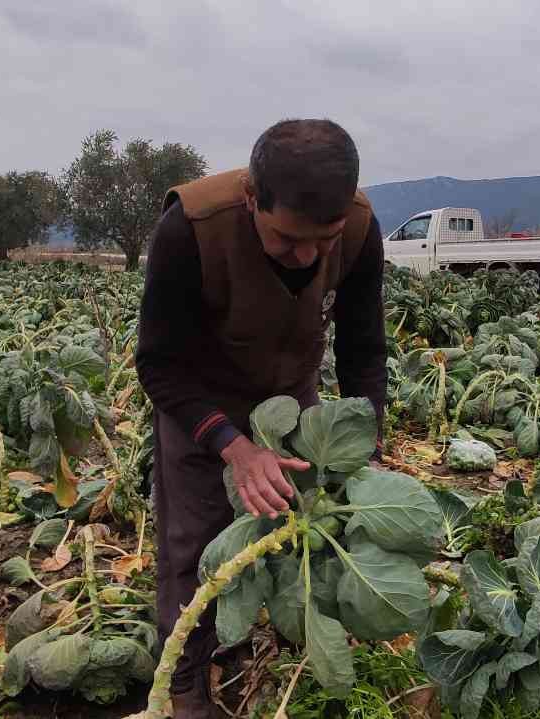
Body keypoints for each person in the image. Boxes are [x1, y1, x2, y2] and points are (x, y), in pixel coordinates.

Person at [135, 118, 387, 718]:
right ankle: (186, 678)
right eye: (286, 240)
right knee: (193, 543)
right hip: (198, 398)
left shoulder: (358, 228)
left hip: (290, 397)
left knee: (282, 531)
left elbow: (363, 350)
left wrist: (367, 445)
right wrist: (234, 447)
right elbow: (159, 365)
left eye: (321, 243)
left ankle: (240, 643)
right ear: (251, 198)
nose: (306, 257)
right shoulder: (191, 228)